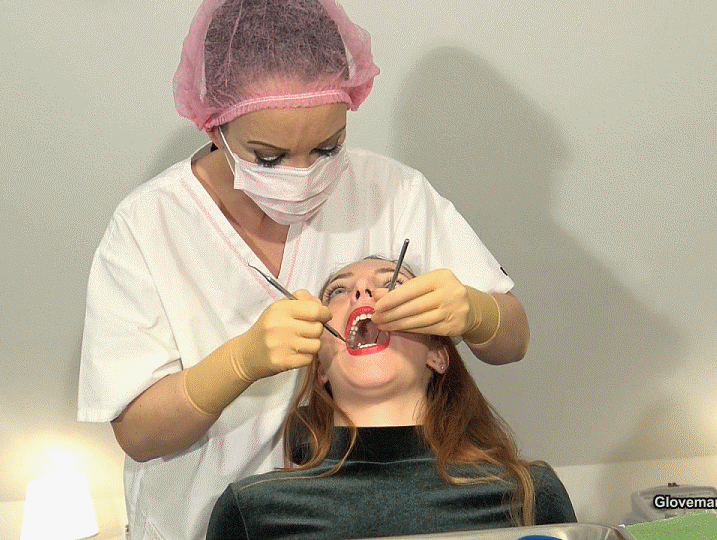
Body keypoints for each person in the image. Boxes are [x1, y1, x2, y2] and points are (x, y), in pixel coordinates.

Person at [77, 1, 530, 539]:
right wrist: (239, 362)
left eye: (327, 148)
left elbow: (513, 338)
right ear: (215, 124)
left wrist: (477, 313)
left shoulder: (392, 192)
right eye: (269, 157)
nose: (303, 174)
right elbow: (138, 434)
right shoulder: (148, 225)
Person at [206, 258, 576, 540]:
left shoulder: (529, 494)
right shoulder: (251, 511)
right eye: (337, 291)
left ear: (438, 354)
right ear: (320, 367)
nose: (363, 291)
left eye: (393, 283)